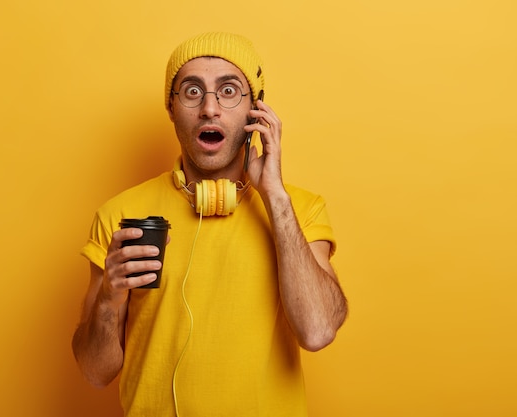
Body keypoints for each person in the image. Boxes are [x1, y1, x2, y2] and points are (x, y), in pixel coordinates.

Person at [72, 32, 348, 416]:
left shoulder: (300, 209)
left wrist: (275, 196)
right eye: (192, 92)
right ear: (171, 108)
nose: (210, 109)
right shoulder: (119, 217)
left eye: (229, 91)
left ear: (256, 110)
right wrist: (109, 299)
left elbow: (318, 332)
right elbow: (94, 372)